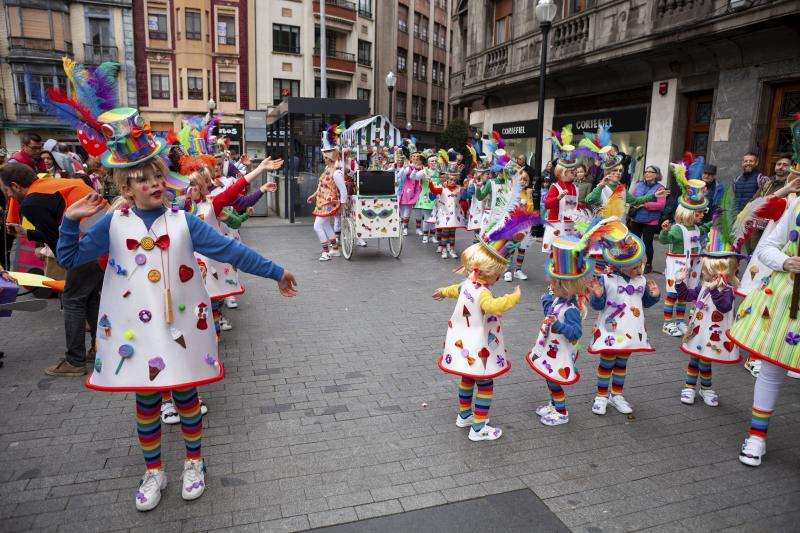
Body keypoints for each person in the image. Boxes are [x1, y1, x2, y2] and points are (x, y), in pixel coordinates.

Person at [56, 106, 297, 510]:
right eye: (142, 180)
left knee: (186, 396)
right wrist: (68, 219)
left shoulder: (184, 221)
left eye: (156, 176)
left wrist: (277, 272)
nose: (153, 183)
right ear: (126, 188)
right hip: (137, 332)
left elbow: (230, 249)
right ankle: (154, 471)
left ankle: (194, 463)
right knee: (147, 401)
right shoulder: (114, 224)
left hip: (182, 326)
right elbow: (70, 257)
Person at [432, 184, 536, 441]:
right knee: (485, 383)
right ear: (493, 273)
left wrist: (442, 292)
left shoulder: (469, 284)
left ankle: (465, 415)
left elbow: (455, 289)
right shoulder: (484, 292)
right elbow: (491, 306)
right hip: (480, 344)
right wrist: (511, 299)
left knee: (467, 378)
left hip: (465, 342)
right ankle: (479, 428)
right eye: (499, 274)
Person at [0, 163, 105, 376]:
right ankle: (99, 348)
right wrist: (27, 234)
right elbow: (57, 230)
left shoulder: (30, 202)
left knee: (72, 301)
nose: (9, 197)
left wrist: (65, 261)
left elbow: (58, 239)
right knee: (91, 298)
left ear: (15, 186)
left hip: (85, 247)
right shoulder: (49, 186)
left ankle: (74, 361)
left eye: (7, 191)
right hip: (100, 244)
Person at [729, 190, 800, 466]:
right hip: (784, 303)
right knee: (771, 369)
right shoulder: (795, 206)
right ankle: (757, 437)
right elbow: (768, 247)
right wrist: (785, 261)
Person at [527, 232, 599, 426]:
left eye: (555, 286)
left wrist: (558, 325)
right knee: (549, 377)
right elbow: (549, 314)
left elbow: (575, 333)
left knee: (554, 380)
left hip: (561, 353)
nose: (552, 288)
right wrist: (547, 301)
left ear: (567, 288)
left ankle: (562, 412)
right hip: (550, 349)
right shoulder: (559, 299)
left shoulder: (571, 311)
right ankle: (553, 404)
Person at [588, 232, 661, 416]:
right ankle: (601, 396)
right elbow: (598, 305)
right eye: (635, 267)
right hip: (610, 330)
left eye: (641, 265)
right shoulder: (607, 279)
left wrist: (654, 296)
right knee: (607, 363)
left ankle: (616, 395)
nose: (640, 270)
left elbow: (644, 303)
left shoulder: (642, 280)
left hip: (631, 330)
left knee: (621, 363)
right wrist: (597, 296)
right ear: (622, 266)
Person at [677, 215, 742, 407]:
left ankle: (706, 388)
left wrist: (714, 291)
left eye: (705, 271)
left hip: (713, 334)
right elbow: (688, 295)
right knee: (694, 359)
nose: (702, 273)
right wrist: (680, 281)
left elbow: (724, 307)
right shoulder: (704, 287)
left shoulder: (727, 292)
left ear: (716, 273)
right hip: (698, 331)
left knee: (706, 361)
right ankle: (689, 387)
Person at [307, 125, 348, 261]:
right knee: (324, 225)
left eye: (325, 156)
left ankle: (325, 252)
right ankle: (334, 249)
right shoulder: (327, 169)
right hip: (321, 201)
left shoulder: (336, 172)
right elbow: (321, 184)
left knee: (317, 226)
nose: (323, 158)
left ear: (329, 157)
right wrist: (314, 194)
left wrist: (342, 205)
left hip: (329, 202)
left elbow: (343, 190)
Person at [627, 165, 666, 273]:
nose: (647, 173)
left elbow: (661, 205)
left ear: (656, 175)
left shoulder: (660, 188)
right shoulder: (638, 185)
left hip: (651, 221)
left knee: (647, 243)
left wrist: (644, 204)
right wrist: (633, 204)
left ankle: (648, 264)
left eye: (651, 172)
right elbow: (632, 198)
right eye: (646, 171)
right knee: (634, 242)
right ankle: (633, 262)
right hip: (636, 219)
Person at [429, 163, 466, 259]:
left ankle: (452, 250)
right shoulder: (442, 189)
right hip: (444, 214)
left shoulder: (459, 189)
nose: (453, 182)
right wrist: (430, 182)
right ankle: (444, 250)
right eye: (451, 180)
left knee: (452, 234)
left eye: (454, 180)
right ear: (447, 180)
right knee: (445, 233)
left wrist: (470, 183)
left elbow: (467, 193)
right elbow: (433, 190)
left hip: (455, 214)